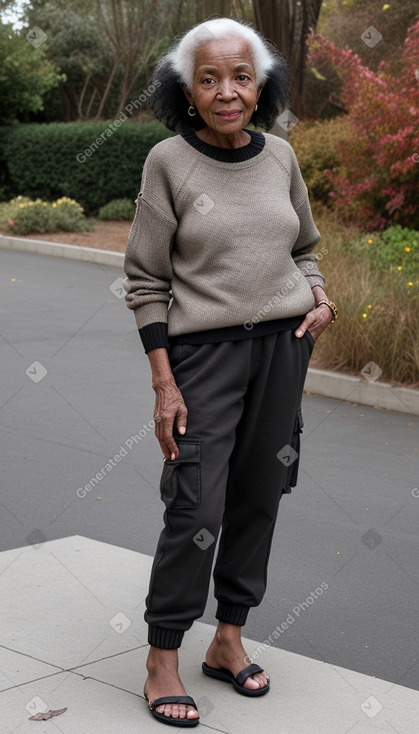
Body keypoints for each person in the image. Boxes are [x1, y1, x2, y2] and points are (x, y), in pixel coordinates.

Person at [123, 16, 337, 728]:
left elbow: (302, 245)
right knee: (196, 507)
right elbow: (146, 280)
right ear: (186, 90)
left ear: (260, 86)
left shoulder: (278, 156)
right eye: (208, 78)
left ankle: (227, 638)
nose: (225, 91)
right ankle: (162, 656)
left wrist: (318, 293)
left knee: (259, 495)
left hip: (282, 350)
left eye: (239, 77)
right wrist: (163, 380)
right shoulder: (166, 163)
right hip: (201, 358)